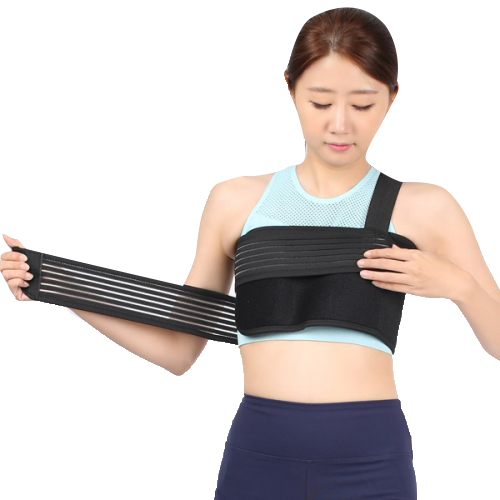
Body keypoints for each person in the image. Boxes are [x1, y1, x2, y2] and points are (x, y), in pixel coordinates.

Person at [2, 7, 500, 499]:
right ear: (290, 89)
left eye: (363, 105)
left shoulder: (425, 207)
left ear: (392, 97)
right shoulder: (236, 201)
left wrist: (457, 285)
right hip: (259, 456)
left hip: (370, 460)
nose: (340, 124)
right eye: (320, 102)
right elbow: (178, 350)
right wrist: (58, 286)